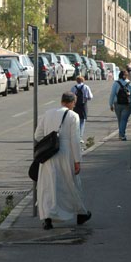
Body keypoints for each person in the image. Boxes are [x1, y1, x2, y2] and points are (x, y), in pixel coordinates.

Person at [35, 91, 91, 230]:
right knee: (70, 184)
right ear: (72, 102)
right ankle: (80, 213)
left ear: (62, 101)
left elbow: (38, 134)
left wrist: (50, 140)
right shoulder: (73, 116)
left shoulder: (48, 113)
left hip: (48, 154)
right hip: (66, 154)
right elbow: (75, 140)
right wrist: (77, 160)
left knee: (48, 186)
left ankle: (47, 217)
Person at [109, 69, 131, 141]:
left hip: (117, 104)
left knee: (120, 119)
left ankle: (121, 134)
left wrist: (111, 104)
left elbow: (112, 94)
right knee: (124, 120)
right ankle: (122, 134)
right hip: (127, 104)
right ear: (127, 76)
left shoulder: (116, 83)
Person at [70, 76, 93, 143]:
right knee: (82, 121)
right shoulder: (86, 87)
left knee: (75, 121)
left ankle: (75, 136)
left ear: (76, 81)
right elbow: (90, 97)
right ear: (83, 80)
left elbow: (71, 96)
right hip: (83, 105)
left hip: (75, 106)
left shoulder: (74, 87)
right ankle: (80, 137)